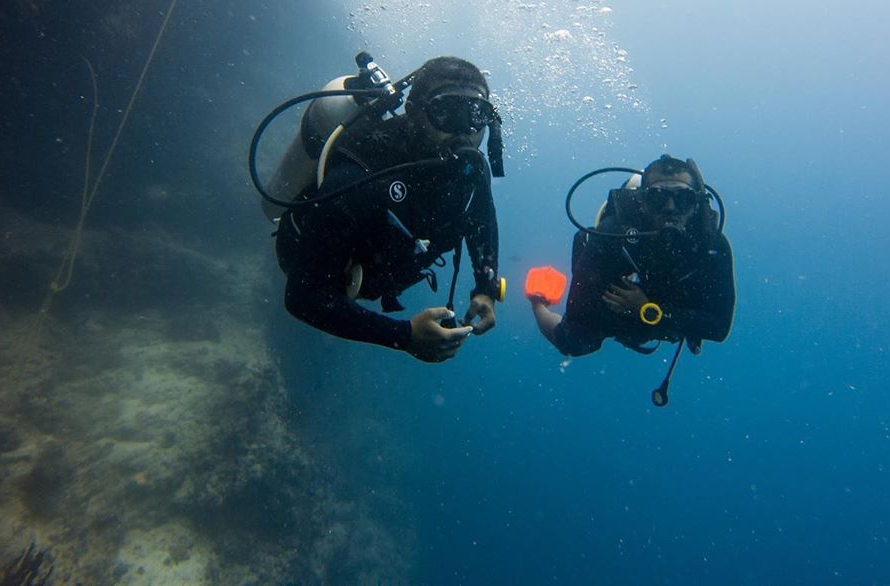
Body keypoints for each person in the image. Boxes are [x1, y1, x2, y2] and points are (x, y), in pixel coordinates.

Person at [275, 56, 503, 363]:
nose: (464, 132)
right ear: (414, 113)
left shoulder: (470, 170)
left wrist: (485, 288)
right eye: (445, 112)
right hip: (317, 264)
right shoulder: (362, 174)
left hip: (382, 269)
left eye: (476, 114)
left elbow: (482, 221)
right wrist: (404, 336)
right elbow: (303, 296)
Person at [529, 155, 735, 402]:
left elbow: (719, 328)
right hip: (618, 305)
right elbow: (578, 315)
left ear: (696, 204)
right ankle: (537, 299)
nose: (670, 208)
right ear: (643, 202)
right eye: (658, 198)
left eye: (683, 199)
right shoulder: (612, 234)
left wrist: (648, 309)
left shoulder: (712, 245)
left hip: (663, 313)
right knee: (571, 342)